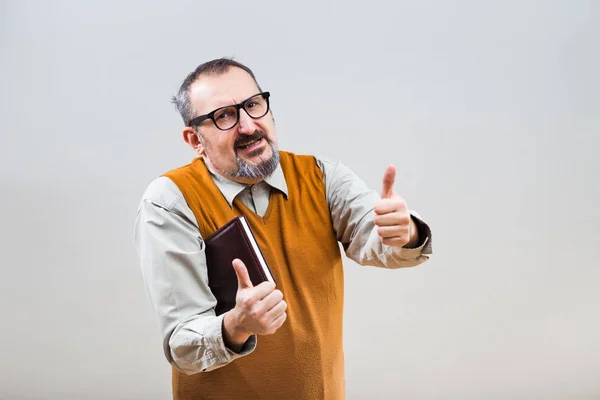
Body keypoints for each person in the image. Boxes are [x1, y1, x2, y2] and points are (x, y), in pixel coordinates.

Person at [134, 57, 433, 400]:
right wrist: (236, 325)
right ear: (195, 140)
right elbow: (182, 345)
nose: (247, 126)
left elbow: (377, 238)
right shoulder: (170, 202)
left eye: (253, 105)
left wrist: (405, 231)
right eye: (224, 116)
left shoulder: (321, 176)